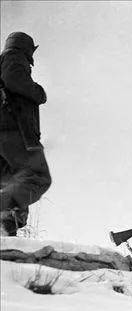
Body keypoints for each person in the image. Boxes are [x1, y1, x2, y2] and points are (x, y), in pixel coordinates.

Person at [0, 32, 51, 236]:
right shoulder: (14, 58)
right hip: (14, 132)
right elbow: (14, 79)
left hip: (5, 135)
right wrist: (39, 92)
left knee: (12, 180)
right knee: (37, 177)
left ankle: (6, 233)